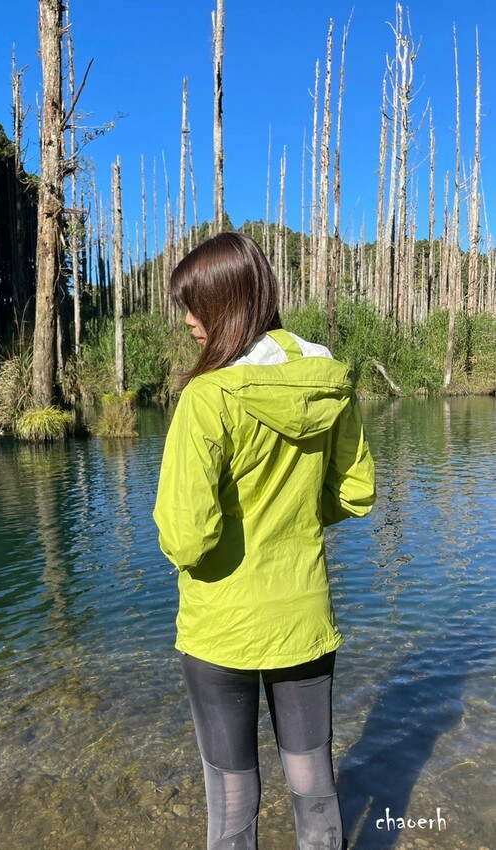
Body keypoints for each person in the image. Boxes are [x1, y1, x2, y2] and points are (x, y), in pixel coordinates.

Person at [153, 232, 375, 850]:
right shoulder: (329, 381)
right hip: (303, 616)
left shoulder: (206, 398)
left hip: (220, 627)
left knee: (231, 805)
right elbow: (355, 492)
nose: (191, 323)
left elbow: (187, 537)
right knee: (315, 789)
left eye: (196, 307)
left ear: (229, 304)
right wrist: (295, 516)